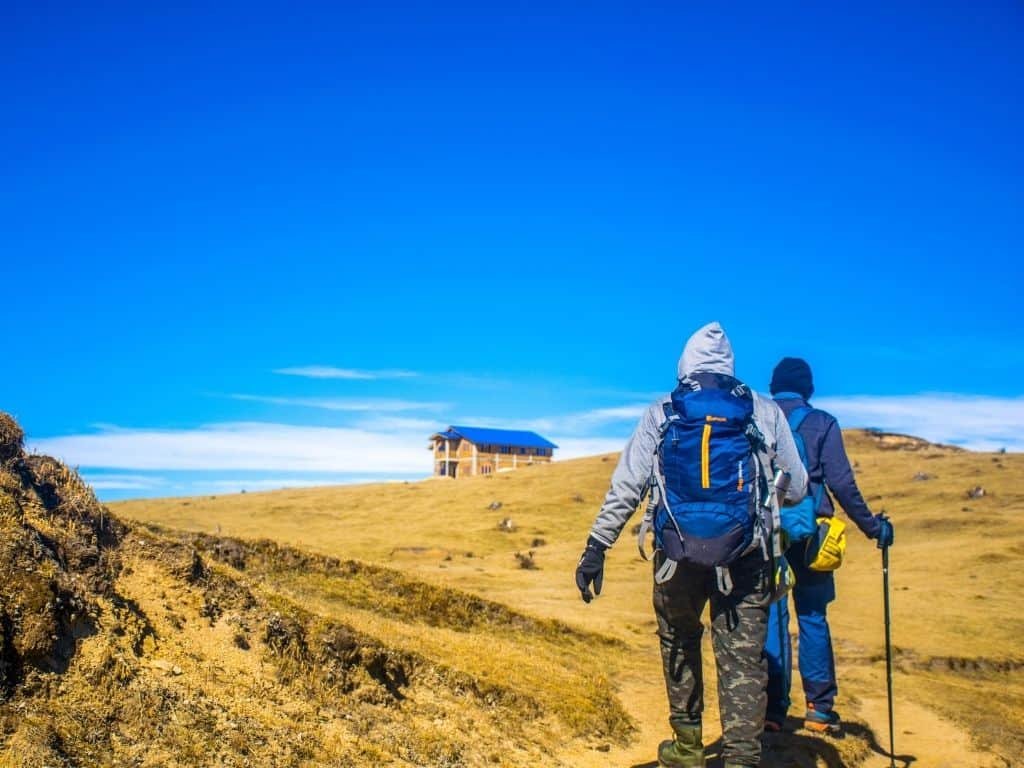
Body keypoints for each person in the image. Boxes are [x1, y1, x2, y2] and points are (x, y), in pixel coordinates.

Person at [575, 322, 807, 768]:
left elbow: (628, 485)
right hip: (747, 556)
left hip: (675, 556)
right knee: (742, 660)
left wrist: (596, 547)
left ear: (685, 363)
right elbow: (796, 488)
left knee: (679, 638)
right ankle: (741, 759)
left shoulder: (663, 410)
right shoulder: (762, 410)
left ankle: (686, 747)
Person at [763, 357, 895, 735]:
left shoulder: (760, 421)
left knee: (774, 617)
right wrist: (874, 528)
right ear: (808, 388)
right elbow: (842, 484)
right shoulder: (822, 423)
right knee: (812, 617)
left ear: (774, 387)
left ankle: (773, 709)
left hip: (768, 535)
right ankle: (819, 708)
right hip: (812, 535)